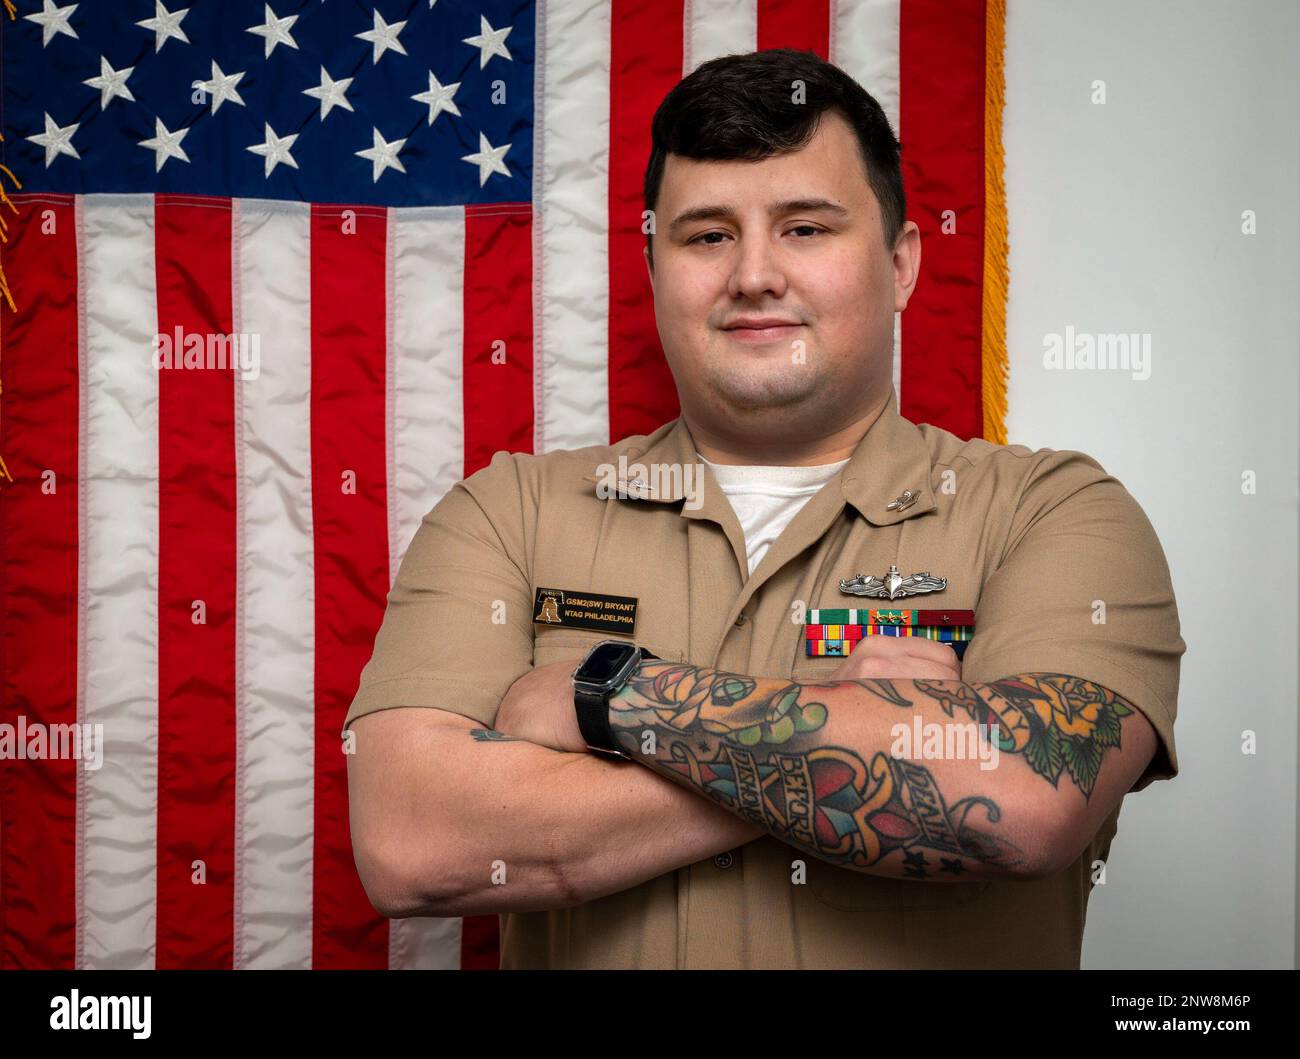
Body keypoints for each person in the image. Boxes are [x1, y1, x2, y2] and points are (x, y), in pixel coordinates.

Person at [342, 48, 1183, 969]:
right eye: (706, 235)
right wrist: (862, 730)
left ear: (901, 263)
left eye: (806, 229)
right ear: (655, 265)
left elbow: (1023, 804)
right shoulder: (510, 512)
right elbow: (413, 841)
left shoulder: (1054, 513)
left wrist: (609, 699)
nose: (752, 274)